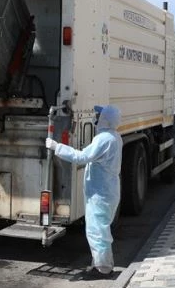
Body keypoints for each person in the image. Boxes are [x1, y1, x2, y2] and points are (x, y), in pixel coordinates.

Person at [45, 105, 122, 275]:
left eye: (99, 114)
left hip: (101, 194)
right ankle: (100, 264)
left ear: (105, 119)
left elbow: (81, 157)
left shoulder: (104, 139)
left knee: (97, 232)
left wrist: (56, 147)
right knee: (101, 230)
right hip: (107, 191)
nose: (95, 116)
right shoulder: (115, 137)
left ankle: (103, 270)